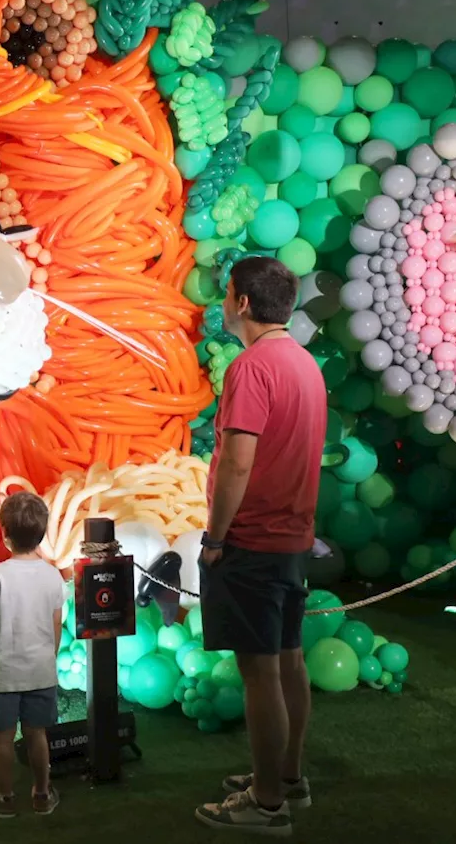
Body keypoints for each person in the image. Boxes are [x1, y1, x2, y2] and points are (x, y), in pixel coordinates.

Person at [194, 256, 326, 837]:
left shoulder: (252, 368)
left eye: (227, 295)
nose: (224, 304)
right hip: (293, 537)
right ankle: (288, 777)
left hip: (252, 540)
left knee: (260, 673)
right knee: (289, 659)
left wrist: (216, 537)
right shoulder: (304, 364)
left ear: (242, 302)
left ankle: (267, 802)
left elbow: (237, 461)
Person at [0, 491, 67, 819]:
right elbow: (56, 622)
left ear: (4, 534)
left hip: (6, 672)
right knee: (37, 734)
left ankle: (5, 797)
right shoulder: (53, 576)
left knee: (4, 737)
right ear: (42, 534)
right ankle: (42, 794)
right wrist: (49, 655)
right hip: (41, 670)